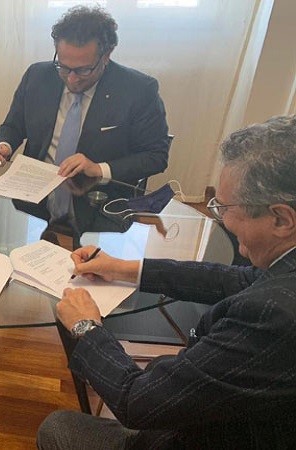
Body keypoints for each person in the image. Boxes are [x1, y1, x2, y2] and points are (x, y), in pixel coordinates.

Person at [39, 115, 296, 448]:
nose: (221, 217)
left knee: (57, 427)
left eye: (225, 207)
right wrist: (123, 268)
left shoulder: (273, 317)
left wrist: (86, 327)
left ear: (281, 219)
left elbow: (136, 402)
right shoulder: (283, 273)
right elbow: (238, 279)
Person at [0, 5, 169, 221]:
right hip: (32, 205)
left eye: (83, 70)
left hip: (99, 207)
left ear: (106, 55)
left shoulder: (138, 90)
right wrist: (5, 145)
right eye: (64, 67)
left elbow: (156, 156)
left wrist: (98, 169)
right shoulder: (37, 76)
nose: (71, 78)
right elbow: (14, 126)